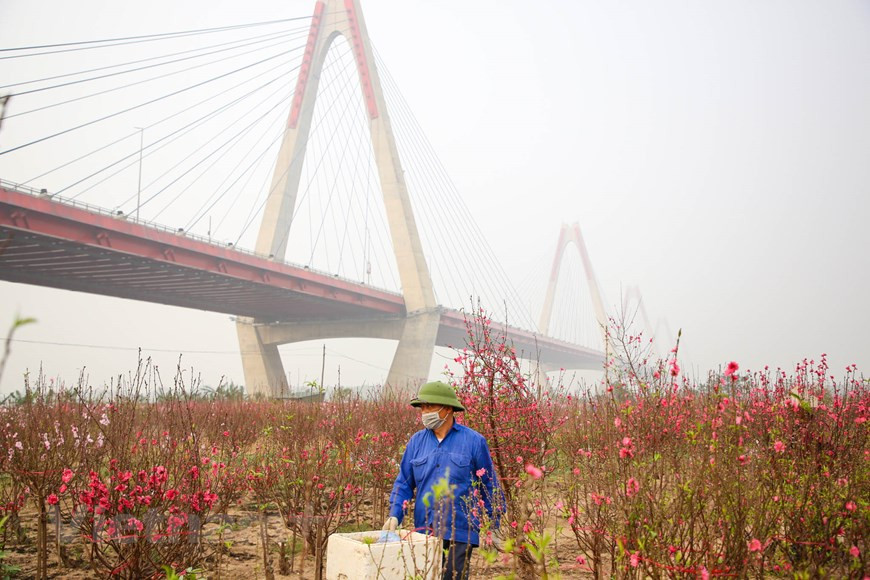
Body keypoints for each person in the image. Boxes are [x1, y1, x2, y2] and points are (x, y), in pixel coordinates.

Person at [383, 381, 500, 580]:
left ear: (447, 409)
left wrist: (495, 523)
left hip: (460, 531)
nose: (424, 412)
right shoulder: (416, 442)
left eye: (429, 407)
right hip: (424, 531)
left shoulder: (474, 441)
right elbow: (404, 482)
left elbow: (489, 485)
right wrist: (395, 514)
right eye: (422, 408)